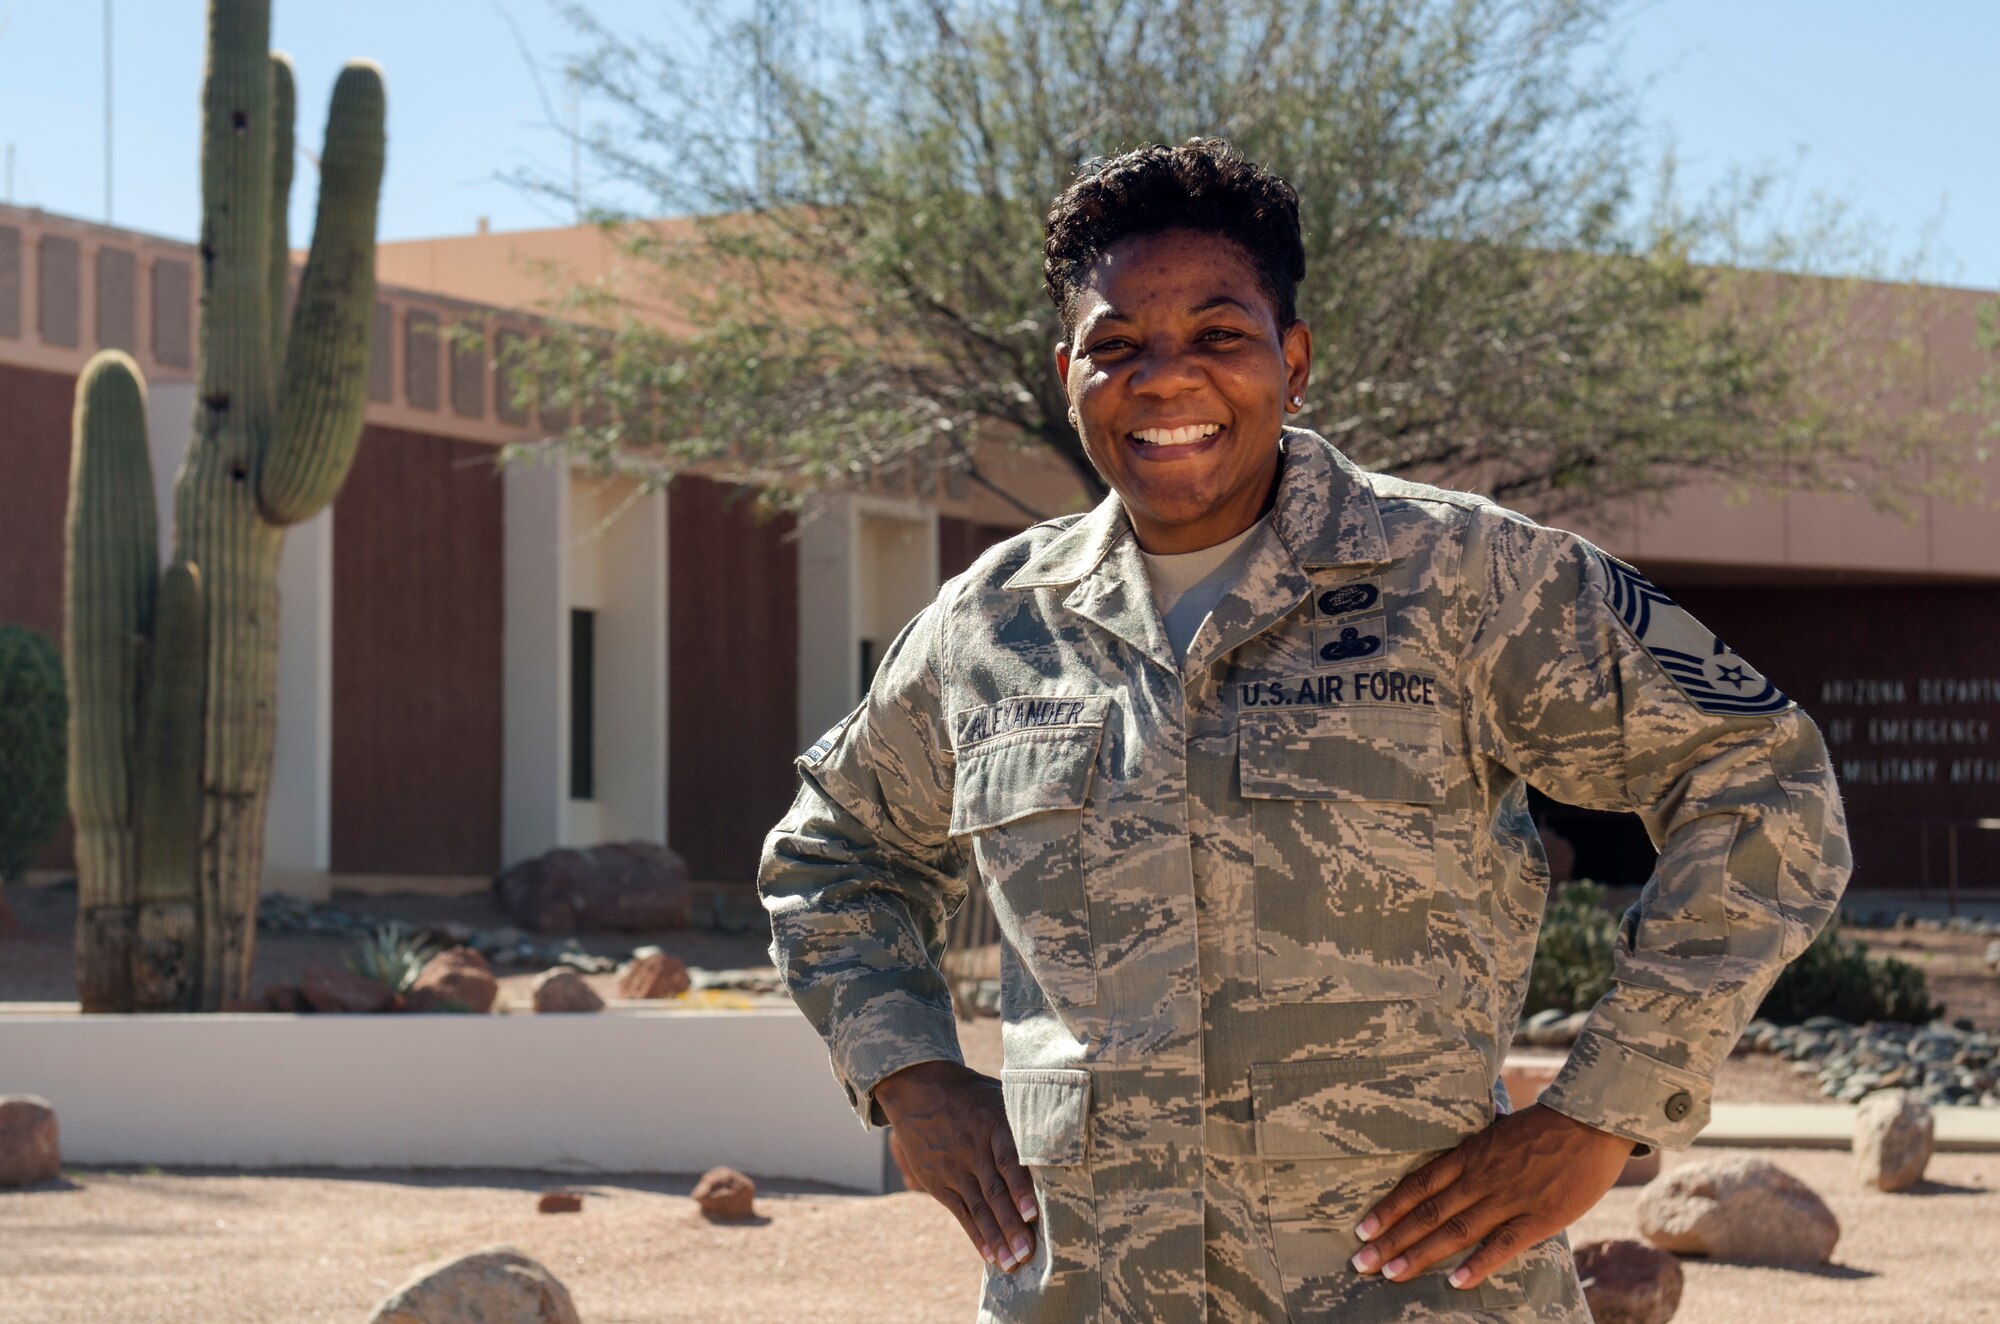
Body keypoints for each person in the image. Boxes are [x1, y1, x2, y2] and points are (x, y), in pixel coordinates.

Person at [758, 139, 1850, 1323]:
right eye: (1118, 346)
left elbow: (1761, 780)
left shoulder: (1466, 576)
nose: (1164, 379)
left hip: (1413, 1296)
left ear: (1294, 360)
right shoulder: (993, 625)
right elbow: (831, 854)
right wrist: (909, 1074)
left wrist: (1601, 1111)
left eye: (1218, 336)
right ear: (1069, 371)